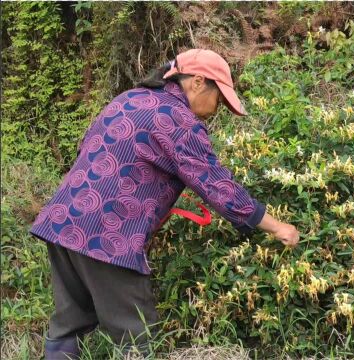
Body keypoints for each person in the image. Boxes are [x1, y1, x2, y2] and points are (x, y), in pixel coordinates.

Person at [29, 49, 300, 359]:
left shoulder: (130, 99)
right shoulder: (177, 119)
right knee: (137, 337)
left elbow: (90, 151)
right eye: (219, 99)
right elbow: (216, 185)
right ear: (198, 82)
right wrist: (276, 226)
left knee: (69, 325)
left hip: (63, 221)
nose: (217, 109)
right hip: (107, 237)